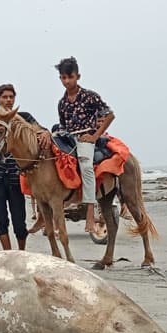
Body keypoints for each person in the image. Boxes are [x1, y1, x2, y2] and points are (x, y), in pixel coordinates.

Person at [0, 84, 45, 250]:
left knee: (19, 220)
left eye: (11, 97)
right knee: (1, 218)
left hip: (17, 176)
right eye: (4, 97)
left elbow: (40, 131)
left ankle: (21, 253)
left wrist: (46, 133)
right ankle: (7, 254)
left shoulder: (24, 117)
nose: (8, 100)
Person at [56, 57, 114, 233]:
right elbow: (63, 125)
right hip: (67, 137)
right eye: (63, 78)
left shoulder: (90, 96)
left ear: (78, 76)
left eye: (70, 77)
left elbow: (110, 114)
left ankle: (90, 211)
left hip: (84, 138)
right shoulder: (62, 102)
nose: (67, 81)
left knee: (86, 167)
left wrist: (95, 135)